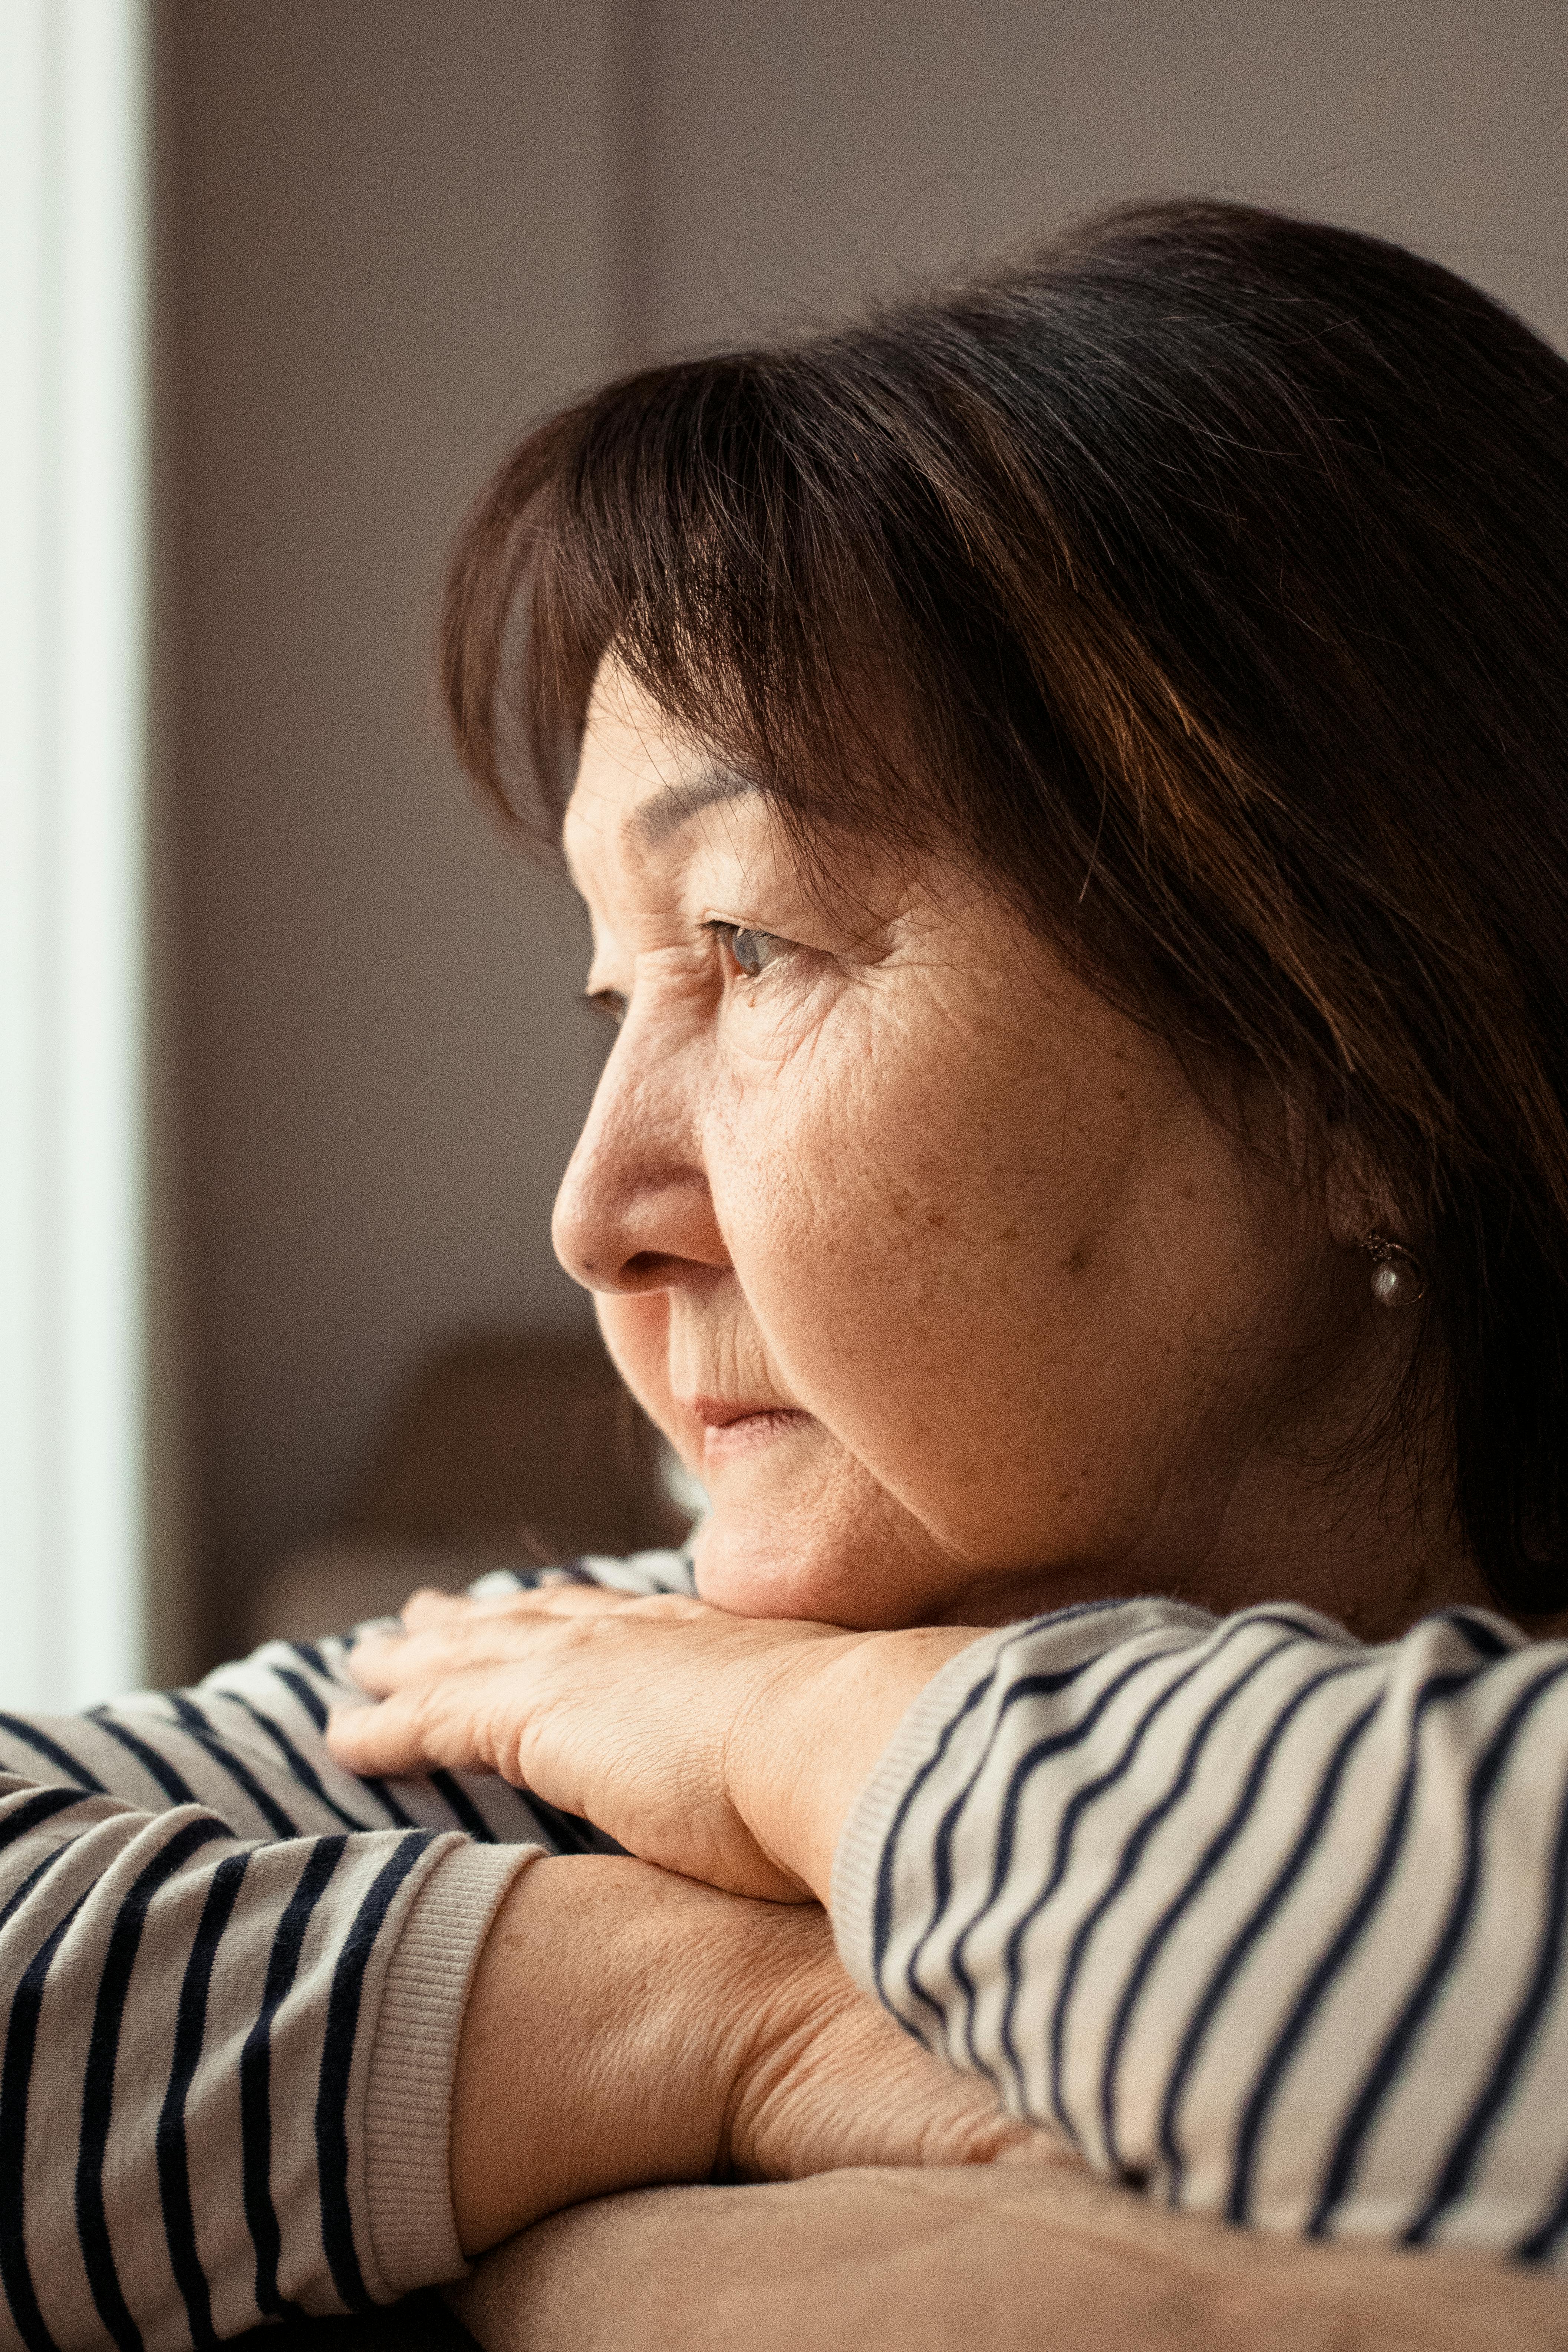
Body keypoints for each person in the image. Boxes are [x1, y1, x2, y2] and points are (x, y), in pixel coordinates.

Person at [4, 197, 1568, 2352]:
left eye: (746, 946)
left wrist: (813, 1733)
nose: (593, 1213)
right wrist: (702, 2008)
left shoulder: (723, 1716)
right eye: (613, 991)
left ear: (1363, 1068)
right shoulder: (601, 1708)